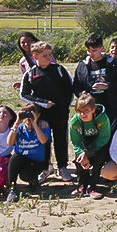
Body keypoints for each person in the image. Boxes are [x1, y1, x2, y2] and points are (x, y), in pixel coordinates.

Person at [20, 41, 73, 183]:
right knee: (44, 140)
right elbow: (23, 94)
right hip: (42, 114)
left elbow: (69, 89)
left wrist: (64, 106)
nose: (49, 57)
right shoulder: (30, 73)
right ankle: (46, 167)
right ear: (35, 56)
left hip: (60, 112)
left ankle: (62, 167)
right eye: (45, 55)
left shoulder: (59, 69)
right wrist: (42, 103)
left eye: (50, 54)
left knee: (61, 139)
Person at [73, 33, 117, 128]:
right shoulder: (83, 65)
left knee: (108, 137)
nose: (90, 53)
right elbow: (76, 86)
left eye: (93, 51)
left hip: (110, 108)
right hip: (89, 110)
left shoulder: (112, 64)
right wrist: (81, 94)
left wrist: (108, 86)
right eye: (88, 50)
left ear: (102, 48)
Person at [69, 92, 111, 199]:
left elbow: (104, 138)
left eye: (86, 111)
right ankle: (82, 185)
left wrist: (88, 152)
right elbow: (75, 141)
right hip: (84, 144)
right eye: (80, 112)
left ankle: (93, 186)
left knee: (98, 160)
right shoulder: (75, 122)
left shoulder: (102, 118)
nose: (83, 114)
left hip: (99, 144)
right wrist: (82, 154)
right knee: (79, 160)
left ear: (93, 109)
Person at [5, 104, 51, 202]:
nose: (28, 118)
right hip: (22, 159)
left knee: (25, 176)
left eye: (31, 114)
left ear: (38, 115)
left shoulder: (43, 127)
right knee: (15, 157)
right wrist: (17, 123)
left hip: (37, 161)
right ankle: (12, 189)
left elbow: (43, 140)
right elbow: (9, 142)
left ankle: (33, 181)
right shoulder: (20, 128)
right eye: (26, 115)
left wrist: (34, 123)